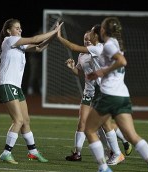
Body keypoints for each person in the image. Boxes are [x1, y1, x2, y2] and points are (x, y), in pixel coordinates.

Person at [85, 17, 148, 172]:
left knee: (89, 129)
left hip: (109, 95)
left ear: (103, 31)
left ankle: (103, 168)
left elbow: (122, 61)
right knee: (131, 136)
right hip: (122, 95)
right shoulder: (115, 42)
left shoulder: (108, 45)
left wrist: (101, 72)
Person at [57, 25, 132, 164]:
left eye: (89, 36)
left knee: (102, 125)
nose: (87, 39)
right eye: (85, 38)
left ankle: (116, 151)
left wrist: (59, 37)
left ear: (95, 37)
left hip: (101, 90)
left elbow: (73, 47)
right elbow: (79, 72)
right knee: (85, 124)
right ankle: (81, 153)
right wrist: (72, 68)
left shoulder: (98, 49)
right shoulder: (83, 55)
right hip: (89, 93)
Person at [0, 18, 63, 164]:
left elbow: (39, 47)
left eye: (20, 28)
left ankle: (33, 152)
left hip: (15, 87)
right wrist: (53, 31)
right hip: (6, 84)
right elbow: (35, 39)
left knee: (26, 121)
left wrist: (53, 36)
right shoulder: (9, 40)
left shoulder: (19, 45)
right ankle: (6, 153)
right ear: (9, 30)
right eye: (17, 28)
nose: (20, 30)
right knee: (18, 120)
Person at [27, 28, 43, 95]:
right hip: (33, 58)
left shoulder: (43, 38)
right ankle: (30, 88)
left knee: (40, 74)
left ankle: (41, 88)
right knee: (33, 73)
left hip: (40, 59)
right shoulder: (36, 37)